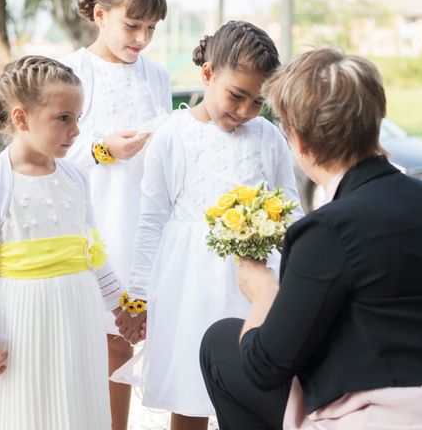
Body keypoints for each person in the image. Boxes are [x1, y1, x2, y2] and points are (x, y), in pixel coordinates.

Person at [200, 46, 422, 430]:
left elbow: (264, 368)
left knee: (221, 343)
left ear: (301, 142)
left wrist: (265, 296)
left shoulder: (328, 230)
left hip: (390, 419)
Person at [121, 21, 303, 430]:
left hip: (252, 281)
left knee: (253, 382)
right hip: (190, 285)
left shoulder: (269, 138)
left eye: (257, 102)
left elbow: (291, 207)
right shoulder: (173, 136)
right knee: (191, 389)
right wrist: (138, 295)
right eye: (236, 96)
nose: (244, 111)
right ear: (208, 74)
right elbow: (151, 220)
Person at [0, 56, 135, 430]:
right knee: (26, 407)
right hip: (22, 313)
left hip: (77, 311)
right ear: (21, 118)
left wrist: (122, 305)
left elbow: (91, 249)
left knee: (75, 404)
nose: (75, 131)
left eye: (77, 118)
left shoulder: (75, 176)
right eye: (63, 118)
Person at [60, 0, 171, 429]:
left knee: (125, 337)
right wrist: (103, 149)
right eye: (132, 25)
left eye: (150, 28)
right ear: (100, 13)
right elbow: (53, 150)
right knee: (87, 335)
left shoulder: (157, 76)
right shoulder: (71, 71)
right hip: (93, 216)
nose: (141, 39)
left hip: (142, 219)